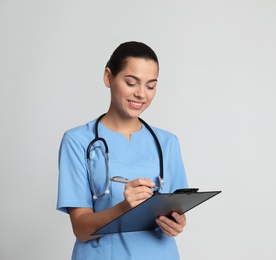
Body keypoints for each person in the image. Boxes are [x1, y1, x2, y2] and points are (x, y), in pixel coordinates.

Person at [56, 41, 188, 260]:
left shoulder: (168, 143)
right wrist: (125, 207)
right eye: (131, 82)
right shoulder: (78, 141)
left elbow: (177, 210)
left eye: (150, 86)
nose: (141, 94)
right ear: (109, 77)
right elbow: (80, 228)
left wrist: (176, 223)